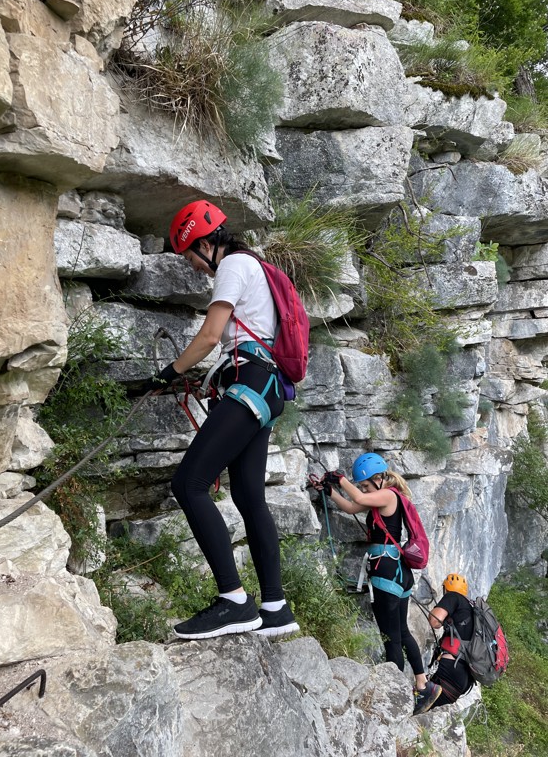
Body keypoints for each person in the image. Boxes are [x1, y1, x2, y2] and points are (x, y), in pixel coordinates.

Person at [141, 199, 299, 640]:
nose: (192, 265)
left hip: (249, 383)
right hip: (264, 388)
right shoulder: (254, 269)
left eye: (191, 254)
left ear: (206, 242)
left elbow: (211, 335)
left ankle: (234, 601)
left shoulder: (234, 266)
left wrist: (168, 374)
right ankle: (275, 608)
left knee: (187, 484)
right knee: (250, 499)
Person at [319, 453, 441, 715]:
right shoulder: (380, 498)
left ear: (378, 479)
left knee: (391, 639)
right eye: (360, 485)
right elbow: (352, 507)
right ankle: (423, 684)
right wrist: (331, 491)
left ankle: (395, 697)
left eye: (364, 484)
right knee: (402, 632)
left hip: (387, 570)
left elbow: (359, 499)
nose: (362, 490)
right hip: (398, 571)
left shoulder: (389, 495)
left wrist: (341, 479)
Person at [426, 573, 474, 708]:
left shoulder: (453, 597)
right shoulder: (471, 609)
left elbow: (435, 621)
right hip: (463, 680)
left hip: (449, 670)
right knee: (424, 718)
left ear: (446, 589)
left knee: (416, 705)